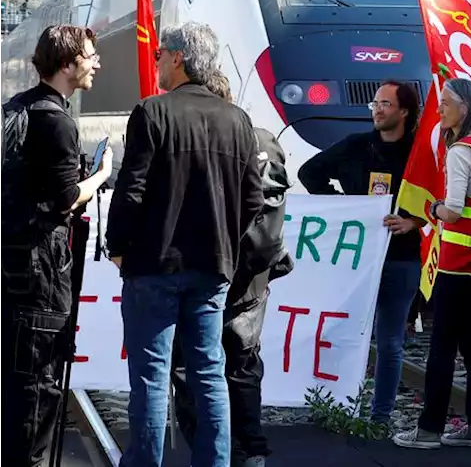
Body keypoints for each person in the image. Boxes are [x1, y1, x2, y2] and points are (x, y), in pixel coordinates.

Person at [107, 23, 265, 467]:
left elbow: (131, 189)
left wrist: (117, 245)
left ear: (178, 57)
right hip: (213, 267)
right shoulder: (238, 120)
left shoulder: (152, 113)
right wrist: (225, 241)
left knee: (152, 376)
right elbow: (254, 197)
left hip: (154, 265)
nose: (156, 60)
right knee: (209, 373)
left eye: (160, 53)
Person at [0, 25, 111, 467]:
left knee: (12, 384)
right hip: (41, 275)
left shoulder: (18, 108)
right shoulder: (58, 121)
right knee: (38, 387)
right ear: (67, 65)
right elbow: (67, 197)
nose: (96, 63)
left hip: (10, 268)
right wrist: (101, 174)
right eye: (89, 56)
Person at [172, 71, 293, 467]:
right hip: (251, 277)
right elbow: (272, 210)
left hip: (210, 270)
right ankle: (249, 449)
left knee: (193, 368)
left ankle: (218, 451)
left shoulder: (207, 141)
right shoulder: (263, 140)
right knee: (241, 364)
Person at [297, 80, 424, 427]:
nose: (377, 109)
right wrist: (344, 206)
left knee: (390, 340)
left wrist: (414, 222)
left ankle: (380, 417)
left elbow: (437, 197)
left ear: (404, 111)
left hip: (400, 258)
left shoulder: (418, 153)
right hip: (355, 260)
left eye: (385, 104)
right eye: (375, 103)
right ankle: (332, 406)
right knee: (340, 332)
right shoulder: (356, 146)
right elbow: (308, 172)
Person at [394, 78, 471, 450]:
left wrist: (434, 208)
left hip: (453, 264)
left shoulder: (459, 152)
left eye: (446, 103)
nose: (439, 110)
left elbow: (452, 210)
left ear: (464, 109)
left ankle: (429, 429)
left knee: (442, 346)